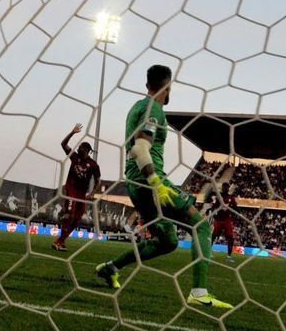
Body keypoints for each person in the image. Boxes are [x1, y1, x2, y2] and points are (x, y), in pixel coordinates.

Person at [95, 64, 233, 309]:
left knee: (167, 241)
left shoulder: (136, 107)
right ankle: (199, 292)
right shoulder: (154, 109)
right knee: (200, 226)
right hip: (150, 183)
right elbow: (140, 147)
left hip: (135, 185)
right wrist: (156, 182)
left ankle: (110, 267)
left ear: (147, 84)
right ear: (167, 86)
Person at [52, 123, 101, 252]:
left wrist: (92, 193)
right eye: (78, 147)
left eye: (81, 148)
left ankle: (60, 241)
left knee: (76, 220)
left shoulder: (93, 165)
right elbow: (63, 144)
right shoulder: (75, 157)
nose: (79, 149)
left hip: (82, 194)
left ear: (87, 151)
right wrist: (72, 132)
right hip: (71, 190)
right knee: (70, 214)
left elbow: (98, 181)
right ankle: (65, 219)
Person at [210, 182, 238, 263]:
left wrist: (237, 215)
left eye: (226, 187)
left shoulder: (231, 198)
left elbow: (236, 208)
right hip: (218, 220)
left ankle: (229, 257)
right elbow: (213, 207)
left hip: (227, 220)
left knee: (230, 238)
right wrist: (214, 216)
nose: (225, 188)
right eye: (224, 187)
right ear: (222, 188)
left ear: (228, 188)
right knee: (213, 236)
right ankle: (209, 253)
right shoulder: (218, 197)